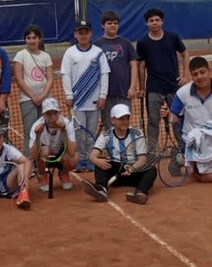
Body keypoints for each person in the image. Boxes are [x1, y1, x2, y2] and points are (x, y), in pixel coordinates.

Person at [163, 56, 212, 182]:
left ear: (209, 71)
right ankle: (187, 160)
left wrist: (210, 142)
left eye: (202, 72)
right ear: (191, 76)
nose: (200, 77)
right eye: (195, 74)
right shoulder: (182, 93)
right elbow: (174, 119)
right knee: (209, 178)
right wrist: (167, 115)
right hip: (194, 140)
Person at [60, 20, 110, 172]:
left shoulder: (98, 52)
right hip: (77, 101)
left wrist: (103, 95)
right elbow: (65, 74)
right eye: (80, 33)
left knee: (91, 132)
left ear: (91, 34)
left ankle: (90, 158)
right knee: (78, 132)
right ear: (75, 34)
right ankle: (79, 158)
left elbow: (104, 75)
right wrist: (69, 95)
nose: (83, 35)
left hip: (95, 101)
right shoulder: (70, 53)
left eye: (86, 32)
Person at [84, 104, 156, 205]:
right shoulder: (106, 135)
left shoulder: (137, 133)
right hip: (115, 172)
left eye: (127, 118)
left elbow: (142, 159)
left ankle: (140, 192)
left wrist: (132, 168)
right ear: (113, 120)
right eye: (121, 119)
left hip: (132, 171)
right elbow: (92, 156)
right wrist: (97, 161)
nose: (125, 121)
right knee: (100, 164)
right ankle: (101, 189)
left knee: (151, 170)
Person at [136, 8, 189, 144]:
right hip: (153, 88)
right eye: (151, 20)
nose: (155, 23)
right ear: (147, 23)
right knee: (153, 122)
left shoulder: (173, 37)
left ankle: (183, 151)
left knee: (177, 119)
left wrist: (185, 75)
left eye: (157, 20)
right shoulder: (142, 43)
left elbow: (185, 53)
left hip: (173, 86)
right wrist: (142, 88)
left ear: (162, 21)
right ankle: (152, 154)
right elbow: (141, 66)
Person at [13, 25, 53, 157]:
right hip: (27, 99)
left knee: (47, 128)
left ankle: (45, 158)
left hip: (46, 99)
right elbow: (19, 79)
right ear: (25, 40)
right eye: (28, 38)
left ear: (39, 39)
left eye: (34, 37)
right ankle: (29, 161)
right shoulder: (20, 55)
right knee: (30, 130)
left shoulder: (46, 56)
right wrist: (33, 96)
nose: (31, 40)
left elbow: (50, 79)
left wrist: (42, 96)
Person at [94, 11, 139, 130]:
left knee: (123, 121)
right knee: (109, 123)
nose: (113, 25)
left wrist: (133, 87)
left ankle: (123, 147)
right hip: (105, 93)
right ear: (103, 25)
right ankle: (112, 148)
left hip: (124, 91)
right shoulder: (97, 45)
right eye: (109, 23)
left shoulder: (126, 43)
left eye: (115, 23)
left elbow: (133, 65)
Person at [28, 98, 78, 192]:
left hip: (61, 153)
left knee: (74, 158)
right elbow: (34, 155)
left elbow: (71, 152)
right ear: (43, 114)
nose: (53, 117)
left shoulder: (67, 124)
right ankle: (42, 175)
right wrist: (38, 135)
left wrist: (63, 131)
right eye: (49, 114)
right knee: (44, 151)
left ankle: (63, 173)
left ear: (59, 112)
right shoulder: (37, 126)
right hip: (45, 154)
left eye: (55, 113)